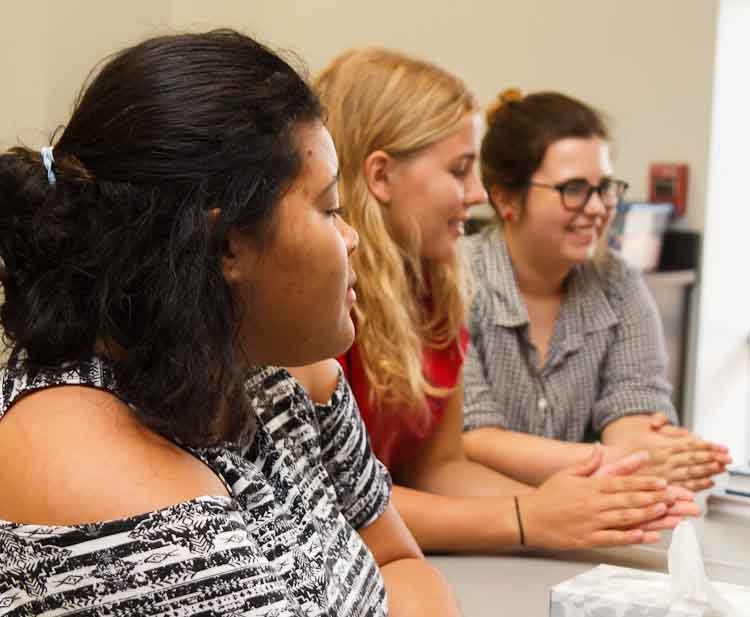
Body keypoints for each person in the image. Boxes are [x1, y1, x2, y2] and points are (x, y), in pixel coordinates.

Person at [0, 31, 459, 616]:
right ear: (225, 245)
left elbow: (400, 564)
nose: (352, 237)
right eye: (328, 208)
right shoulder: (99, 476)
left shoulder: (290, 379)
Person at [290, 48, 697, 555]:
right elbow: (333, 501)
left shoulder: (437, 285)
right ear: (380, 176)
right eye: (460, 170)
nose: (478, 192)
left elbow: (439, 467)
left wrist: (588, 507)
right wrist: (527, 518)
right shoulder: (312, 303)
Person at [462, 89, 730, 493]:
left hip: (581, 524)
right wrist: (619, 461)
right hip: (482, 518)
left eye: (604, 187)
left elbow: (634, 406)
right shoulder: (455, 280)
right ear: (504, 199)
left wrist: (660, 452)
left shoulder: (619, 285)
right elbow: (473, 439)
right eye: (573, 189)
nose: (597, 208)